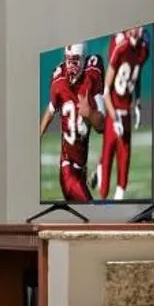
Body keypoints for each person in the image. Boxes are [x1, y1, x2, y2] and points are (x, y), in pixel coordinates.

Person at [37, 44, 101, 202]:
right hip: (68, 170)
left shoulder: (90, 77)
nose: (71, 66)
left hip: (81, 170)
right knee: (93, 214)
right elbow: (51, 109)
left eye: (76, 61)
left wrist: (90, 113)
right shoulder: (59, 80)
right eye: (68, 60)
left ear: (84, 60)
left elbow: (101, 126)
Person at [97, 27, 151, 199]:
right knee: (107, 159)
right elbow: (106, 91)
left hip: (126, 111)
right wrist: (114, 118)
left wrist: (138, 101)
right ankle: (101, 199)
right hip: (114, 110)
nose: (139, 30)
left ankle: (118, 201)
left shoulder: (143, 49)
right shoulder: (120, 46)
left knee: (125, 160)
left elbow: (136, 75)